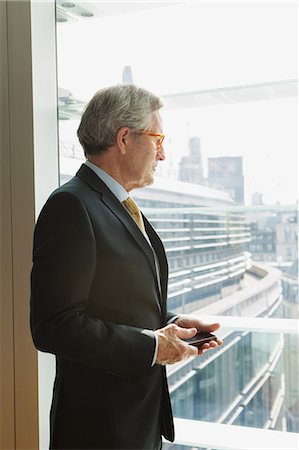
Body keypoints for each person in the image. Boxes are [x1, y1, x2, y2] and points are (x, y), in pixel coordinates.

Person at [30, 84, 222, 450]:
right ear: (123, 138)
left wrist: (171, 326)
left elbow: (118, 303)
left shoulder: (117, 206)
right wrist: (152, 347)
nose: (162, 154)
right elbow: (54, 326)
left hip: (137, 422)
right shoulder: (71, 206)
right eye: (158, 138)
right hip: (99, 430)